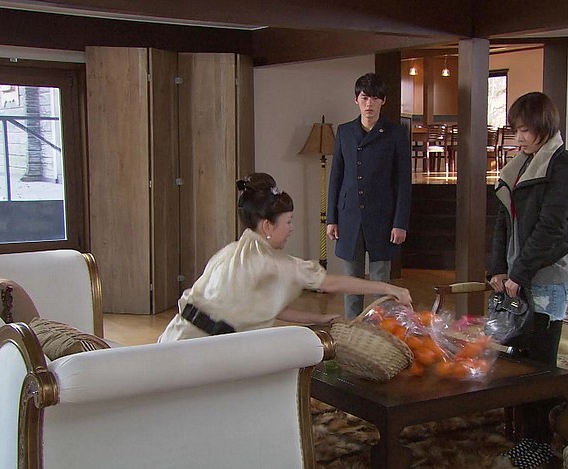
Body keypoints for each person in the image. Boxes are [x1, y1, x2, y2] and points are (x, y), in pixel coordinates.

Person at [159, 172, 412, 342]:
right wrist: (389, 288)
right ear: (268, 226)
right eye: (288, 222)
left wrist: (318, 319)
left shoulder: (230, 253)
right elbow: (332, 283)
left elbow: (266, 306)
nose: (291, 228)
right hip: (199, 352)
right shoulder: (274, 263)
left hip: (174, 337)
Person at [487, 92, 568, 468]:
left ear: (543, 126)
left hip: (546, 280)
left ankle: (539, 445)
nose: (518, 138)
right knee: (519, 363)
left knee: (540, 367)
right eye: (516, 130)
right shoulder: (521, 164)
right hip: (518, 276)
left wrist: (519, 273)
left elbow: (552, 230)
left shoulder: (562, 166)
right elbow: (503, 221)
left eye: (525, 130)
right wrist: (497, 268)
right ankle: (526, 438)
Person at [326, 72, 412, 320]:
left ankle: (378, 332)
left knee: (380, 282)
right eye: (364, 98)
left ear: (383, 101)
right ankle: (352, 331)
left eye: (375, 98)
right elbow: (336, 176)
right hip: (349, 216)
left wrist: (400, 222)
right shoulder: (344, 131)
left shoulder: (395, 133)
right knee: (351, 282)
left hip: (383, 218)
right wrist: (332, 218)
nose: (369, 104)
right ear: (356, 100)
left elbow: (403, 181)